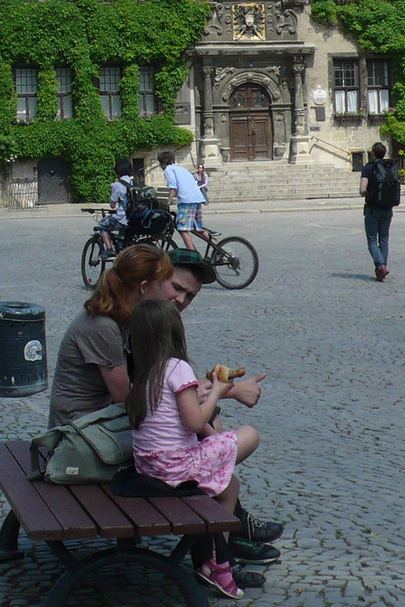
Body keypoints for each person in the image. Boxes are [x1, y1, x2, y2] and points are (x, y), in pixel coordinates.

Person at [127, 299, 262, 600]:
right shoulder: (177, 368)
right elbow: (194, 421)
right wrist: (216, 391)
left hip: (150, 468)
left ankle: (218, 562)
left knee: (230, 486)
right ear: (176, 333)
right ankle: (216, 564)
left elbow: (187, 425)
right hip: (177, 469)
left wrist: (214, 430)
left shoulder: (142, 373)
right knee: (250, 434)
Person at [49, 245, 179, 428]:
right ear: (143, 287)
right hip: (78, 428)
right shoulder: (103, 326)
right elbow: (124, 397)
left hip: (97, 419)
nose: (168, 292)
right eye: (160, 284)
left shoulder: (121, 315)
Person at [359, 142, 398, 281]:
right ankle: (381, 270)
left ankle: (380, 266)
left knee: (371, 239)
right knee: (384, 239)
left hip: (373, 207)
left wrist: (369, 194)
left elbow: (362, 189)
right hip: (388, 207)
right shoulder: (390, 167)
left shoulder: (369, 168)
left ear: (373, 153)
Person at [159, 151, 208, 253]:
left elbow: (172, 186)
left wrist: (168, 202)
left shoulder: (168, 170)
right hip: (197, 198)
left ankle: (193, 254)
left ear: (163, 163)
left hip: (187, 200)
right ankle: (214, 242)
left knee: (181, 228)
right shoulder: (181, 169)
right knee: (196, 227)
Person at [94, 158, 136, 254]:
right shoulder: (134, 183)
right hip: (133, 218)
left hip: (122, 218)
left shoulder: (117, 185)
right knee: (123, 239)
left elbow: (112, 205)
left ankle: (109, 250)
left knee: (102, 225)